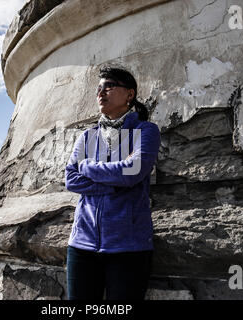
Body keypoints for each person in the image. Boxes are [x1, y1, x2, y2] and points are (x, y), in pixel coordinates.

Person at [65, 66, 161, 300]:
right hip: (81, 245)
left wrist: (88, 167)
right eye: (98, 88)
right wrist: (115, 182)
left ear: (130, 94)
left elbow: (132, 172)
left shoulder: (145, 131)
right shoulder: (87, 136)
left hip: (129, 247)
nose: (101, 92)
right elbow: (71, 179)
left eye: (108, 86)